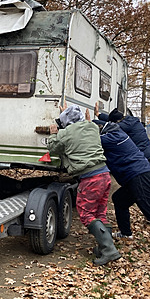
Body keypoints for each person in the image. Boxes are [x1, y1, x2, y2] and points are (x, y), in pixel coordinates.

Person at [96, 119, 150, 262]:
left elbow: (92, 141)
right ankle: (125, 232)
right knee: (119, 199)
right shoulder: (117, 134)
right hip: (137, 177)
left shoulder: (112, 137)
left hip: (140, 178)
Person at [47, 104, 121, 266]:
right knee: (100, 213)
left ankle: (109, 250)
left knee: (86, 213)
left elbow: (52, 148)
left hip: (90, 178)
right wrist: (66, 113)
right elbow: (81, 125)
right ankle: (104, 247)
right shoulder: (93, 127)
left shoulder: (65, 134)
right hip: (104, 175)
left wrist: (53, 133)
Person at [95, 104, 150, 174]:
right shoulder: (131, 121)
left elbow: (109, 125)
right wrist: (99, 115)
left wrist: (91, 122)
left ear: (117, 121)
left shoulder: (124, 126)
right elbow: (110, 120)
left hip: (146, 162)